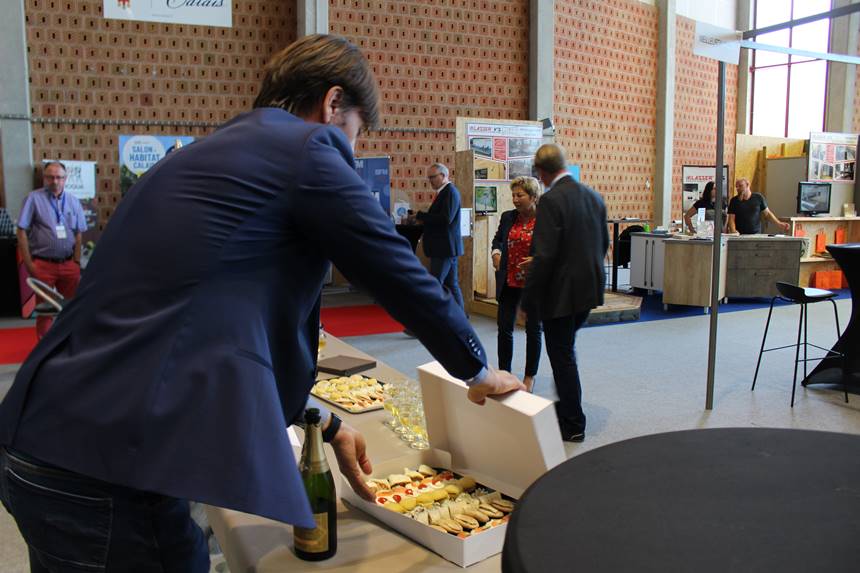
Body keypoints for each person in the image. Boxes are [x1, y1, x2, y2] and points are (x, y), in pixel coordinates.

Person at [0, 35, 522, 571]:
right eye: (355, 134)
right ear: (332, 103)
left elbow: (199, 314)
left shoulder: (206, 155)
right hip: (107, 464)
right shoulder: (307, 149)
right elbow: (394, 266)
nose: (350, 152)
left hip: (44, 436)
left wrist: (327, 425)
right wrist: (477, 370)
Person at [521, 144, 608, 443]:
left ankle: (572, 424)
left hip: (560, 293)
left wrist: (528, 300)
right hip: (588, 290)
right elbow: (603, 243)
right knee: (565, 350)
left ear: (542, 173)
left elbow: (544, 256)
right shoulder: (593, 196)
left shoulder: (550, 201)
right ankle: (568, 410)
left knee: (561, 355)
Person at [16, 161, 87, 339]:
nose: (55, 181)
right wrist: (29, 263)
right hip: (43, 264)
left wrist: (76, 261)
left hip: (69, 264)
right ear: (44, 178)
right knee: (45, 310)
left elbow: (79, 233)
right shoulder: (33, 199)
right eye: (50, 177)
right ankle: (44, 349)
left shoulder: (73, 201)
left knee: (70, 308)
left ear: (65, 179)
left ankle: (68, 344)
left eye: (59, 177)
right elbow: (21, 230)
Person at [491, 176, 542, 392]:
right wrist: (496, 252)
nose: (515, 199)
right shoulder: (507, 217)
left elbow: (556, 248)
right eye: (513, 195)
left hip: (534, 283)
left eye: (520, 195)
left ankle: (530, 376)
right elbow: (497, 240)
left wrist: (538, 260)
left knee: (533, 329)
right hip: (509, 279)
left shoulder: (546, 219)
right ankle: (505, 373)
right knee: (504, 328)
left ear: (533, 196)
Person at [415, 163, 465, 308]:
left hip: (444, 248)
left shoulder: (450, 192)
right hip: (446, 247)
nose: (430, 181)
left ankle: (434, 316)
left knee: (436, 284)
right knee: (451, 284)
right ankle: (461, 317)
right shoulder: (444, 192)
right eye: (429, 178)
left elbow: (445, 218)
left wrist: (421, 216)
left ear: (443, 176)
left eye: (433, 177)